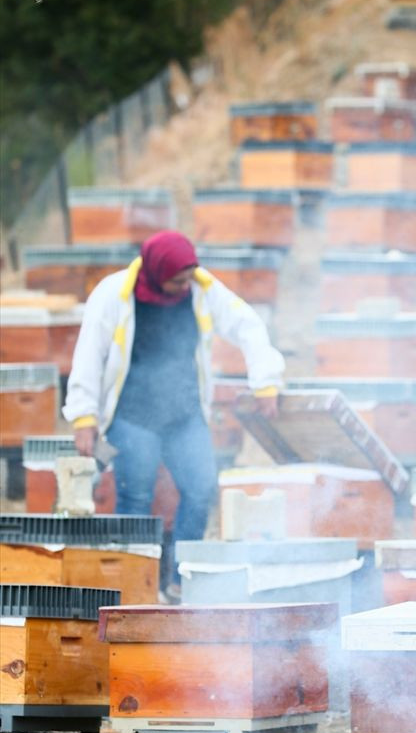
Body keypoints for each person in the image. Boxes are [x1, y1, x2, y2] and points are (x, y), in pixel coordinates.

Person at [63, 230, 285, 581]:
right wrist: (83, 417)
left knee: (200, 489)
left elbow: (248, 326)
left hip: (184, 413)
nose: (184, 286)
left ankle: (183, 579)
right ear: (156, 271)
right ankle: (134, 586)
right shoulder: (112, 295)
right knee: (136, 498)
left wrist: (266, 382)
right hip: (132, 415)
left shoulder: (201, 288)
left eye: (188, 278)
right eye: (177, 280)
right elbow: (89, 355)